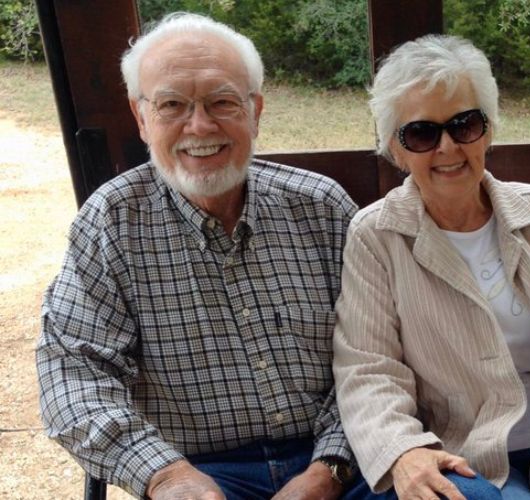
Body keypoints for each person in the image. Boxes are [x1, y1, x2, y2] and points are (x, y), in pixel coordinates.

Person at [37, 13, 380, 500]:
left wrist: (330, 468)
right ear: (141, 117)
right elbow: (72, 371)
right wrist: (164, 474)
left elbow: (381, 354)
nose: (199, 126)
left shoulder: (322, 208)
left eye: (222, 102)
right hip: (202, 473)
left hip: (347, 464)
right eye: (172, 104)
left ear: (255, 110)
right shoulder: (112, 220)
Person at [333, 35, 530, 500]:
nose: (447, 147)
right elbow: (369, 368)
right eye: (421, 133)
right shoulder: (376, 235)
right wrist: (402, 451)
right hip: (463, 452)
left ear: (488, 130)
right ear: (395, 150)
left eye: (465, 124)